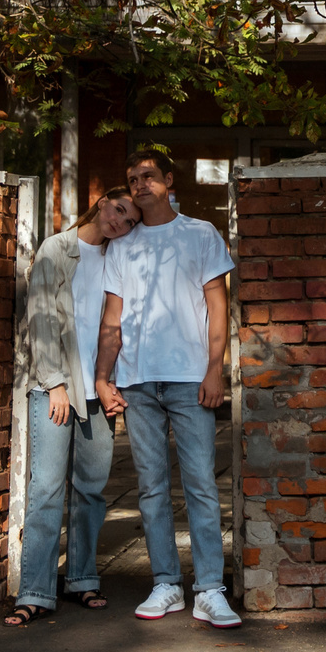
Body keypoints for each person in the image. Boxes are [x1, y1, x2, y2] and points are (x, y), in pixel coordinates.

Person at [93, 148, 238, 627]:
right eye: (132, 178)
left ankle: (211, 590)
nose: (139, 184)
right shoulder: (122, 246)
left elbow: (218, 306)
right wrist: (103, 375)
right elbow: (112, 318)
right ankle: (166, 584)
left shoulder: (199, 234)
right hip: (137, 382)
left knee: (200, 486)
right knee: (151, 490)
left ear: (168, 180)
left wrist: (215, 368)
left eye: (148, 176)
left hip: (189, 379)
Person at [4, 186, 137, 626]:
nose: (120, 221)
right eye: (118, 209)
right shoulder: (56, 249)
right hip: (55, 389)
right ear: (101, 203)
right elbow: (40, 318)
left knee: (91, 492)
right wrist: (55, 383)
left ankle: (81, 578)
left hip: (98, 390)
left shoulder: (119, 258)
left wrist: (113, 382)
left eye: (130, 219)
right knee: (45, 491)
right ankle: (36, 590)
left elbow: (119, 326)